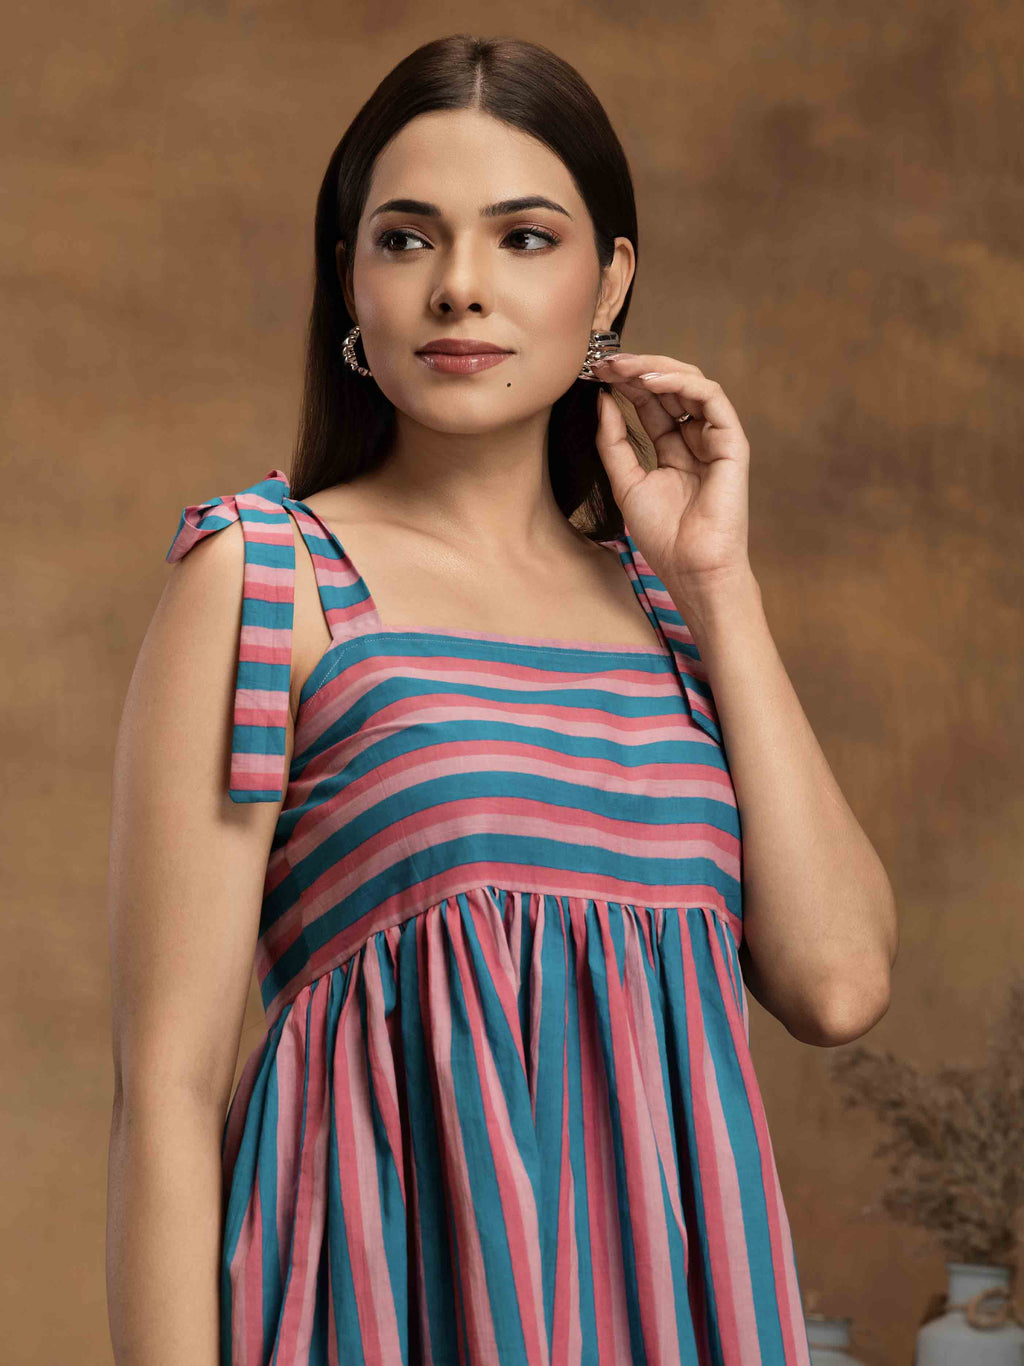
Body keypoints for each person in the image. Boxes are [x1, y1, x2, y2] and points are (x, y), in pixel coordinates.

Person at [106, 32, 897, 1366]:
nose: (460, 287)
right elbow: (168, 1094)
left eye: (524, 238)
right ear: (348, 282)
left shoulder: (664, 613)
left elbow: (835, 980)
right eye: (407, 239)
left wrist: (718, 586)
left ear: (611, 283)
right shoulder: (268, 575)